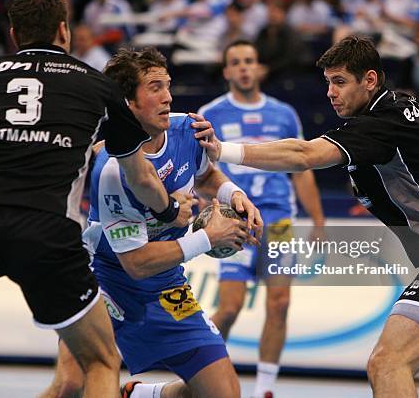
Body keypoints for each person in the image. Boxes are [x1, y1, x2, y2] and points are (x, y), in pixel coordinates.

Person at [0, 0, 179, 398]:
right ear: (64, 29)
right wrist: (171, 212)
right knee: (100, 360)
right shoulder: (99, 88)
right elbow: (141, 179)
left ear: (14, 34)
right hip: (48, 231)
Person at [191, 35, 419, 395]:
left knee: (387, 363)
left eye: (339, 82)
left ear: (369, 80)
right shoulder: (398, 109)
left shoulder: (381, 122)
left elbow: (303, 156)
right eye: (328, 82)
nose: (330, 93)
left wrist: (220, 150)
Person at [40, 46, 263, 398]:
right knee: (70, 385)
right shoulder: (114, 170)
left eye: (168, 85)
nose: (168, 96)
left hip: (167, 286)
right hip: (107, 283)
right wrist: (207, 238)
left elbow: (205, 176)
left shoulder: (186, 129)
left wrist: (232, 194)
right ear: (128, 102)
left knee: (222, 393)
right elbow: (136, 264)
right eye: (155, 87)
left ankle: (144, 394)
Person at [198, 40, 325, 398]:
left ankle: (265, 389)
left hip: (279, 217)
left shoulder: (283, 113)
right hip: (235, 216)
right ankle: (200, 377)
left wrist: (317, 219)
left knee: (280, 303)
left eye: (249, 61)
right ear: (226, 71)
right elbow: (200, 170)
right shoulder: (211, 112)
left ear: (259, 68)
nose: (243, 67)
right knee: (230, 307)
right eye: (236, 62)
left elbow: (302, 170)